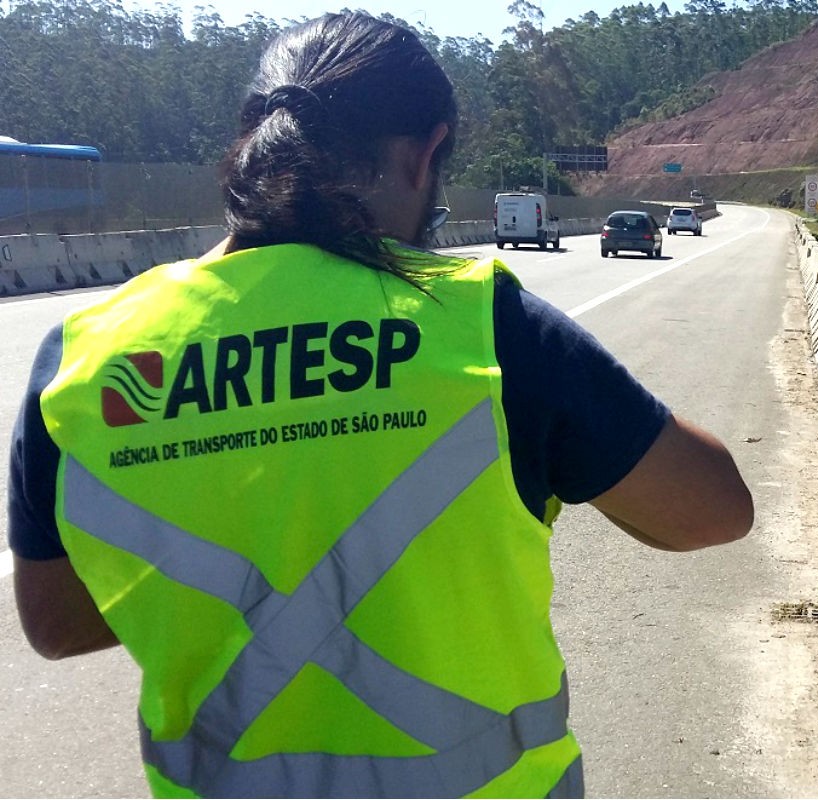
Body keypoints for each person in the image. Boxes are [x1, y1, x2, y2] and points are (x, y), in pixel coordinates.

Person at [6, 12, 753, 799]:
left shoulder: (87, 352)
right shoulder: (482, 326)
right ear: (423, 156)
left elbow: (54, 624)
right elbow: (714, 512)